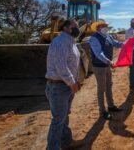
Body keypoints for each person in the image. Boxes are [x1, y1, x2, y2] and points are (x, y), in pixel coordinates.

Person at [45, 19, 84, 150]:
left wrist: (75, 80)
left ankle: (66, 142)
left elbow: (71, 64)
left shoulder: (71, 42)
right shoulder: (61, 42)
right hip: (58, 86)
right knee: (58, 120)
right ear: (66, 27)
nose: (78, 29)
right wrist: (71, 81)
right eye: (75, 26)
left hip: (65, 86)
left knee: (64, 116)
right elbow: (60, 65)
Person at [89, 21, 124, 120]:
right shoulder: (94, 38)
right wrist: (109, 61)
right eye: (104, 26)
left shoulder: (108, 36)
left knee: (109, 85)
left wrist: (127, 44)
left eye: (106, 26)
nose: (106, 27)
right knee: (101, 89)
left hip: (107, 65)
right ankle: (102, 111)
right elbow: (98, 53)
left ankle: (111, 106)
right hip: (99, 67)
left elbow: (116, 44)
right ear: (98, 27)